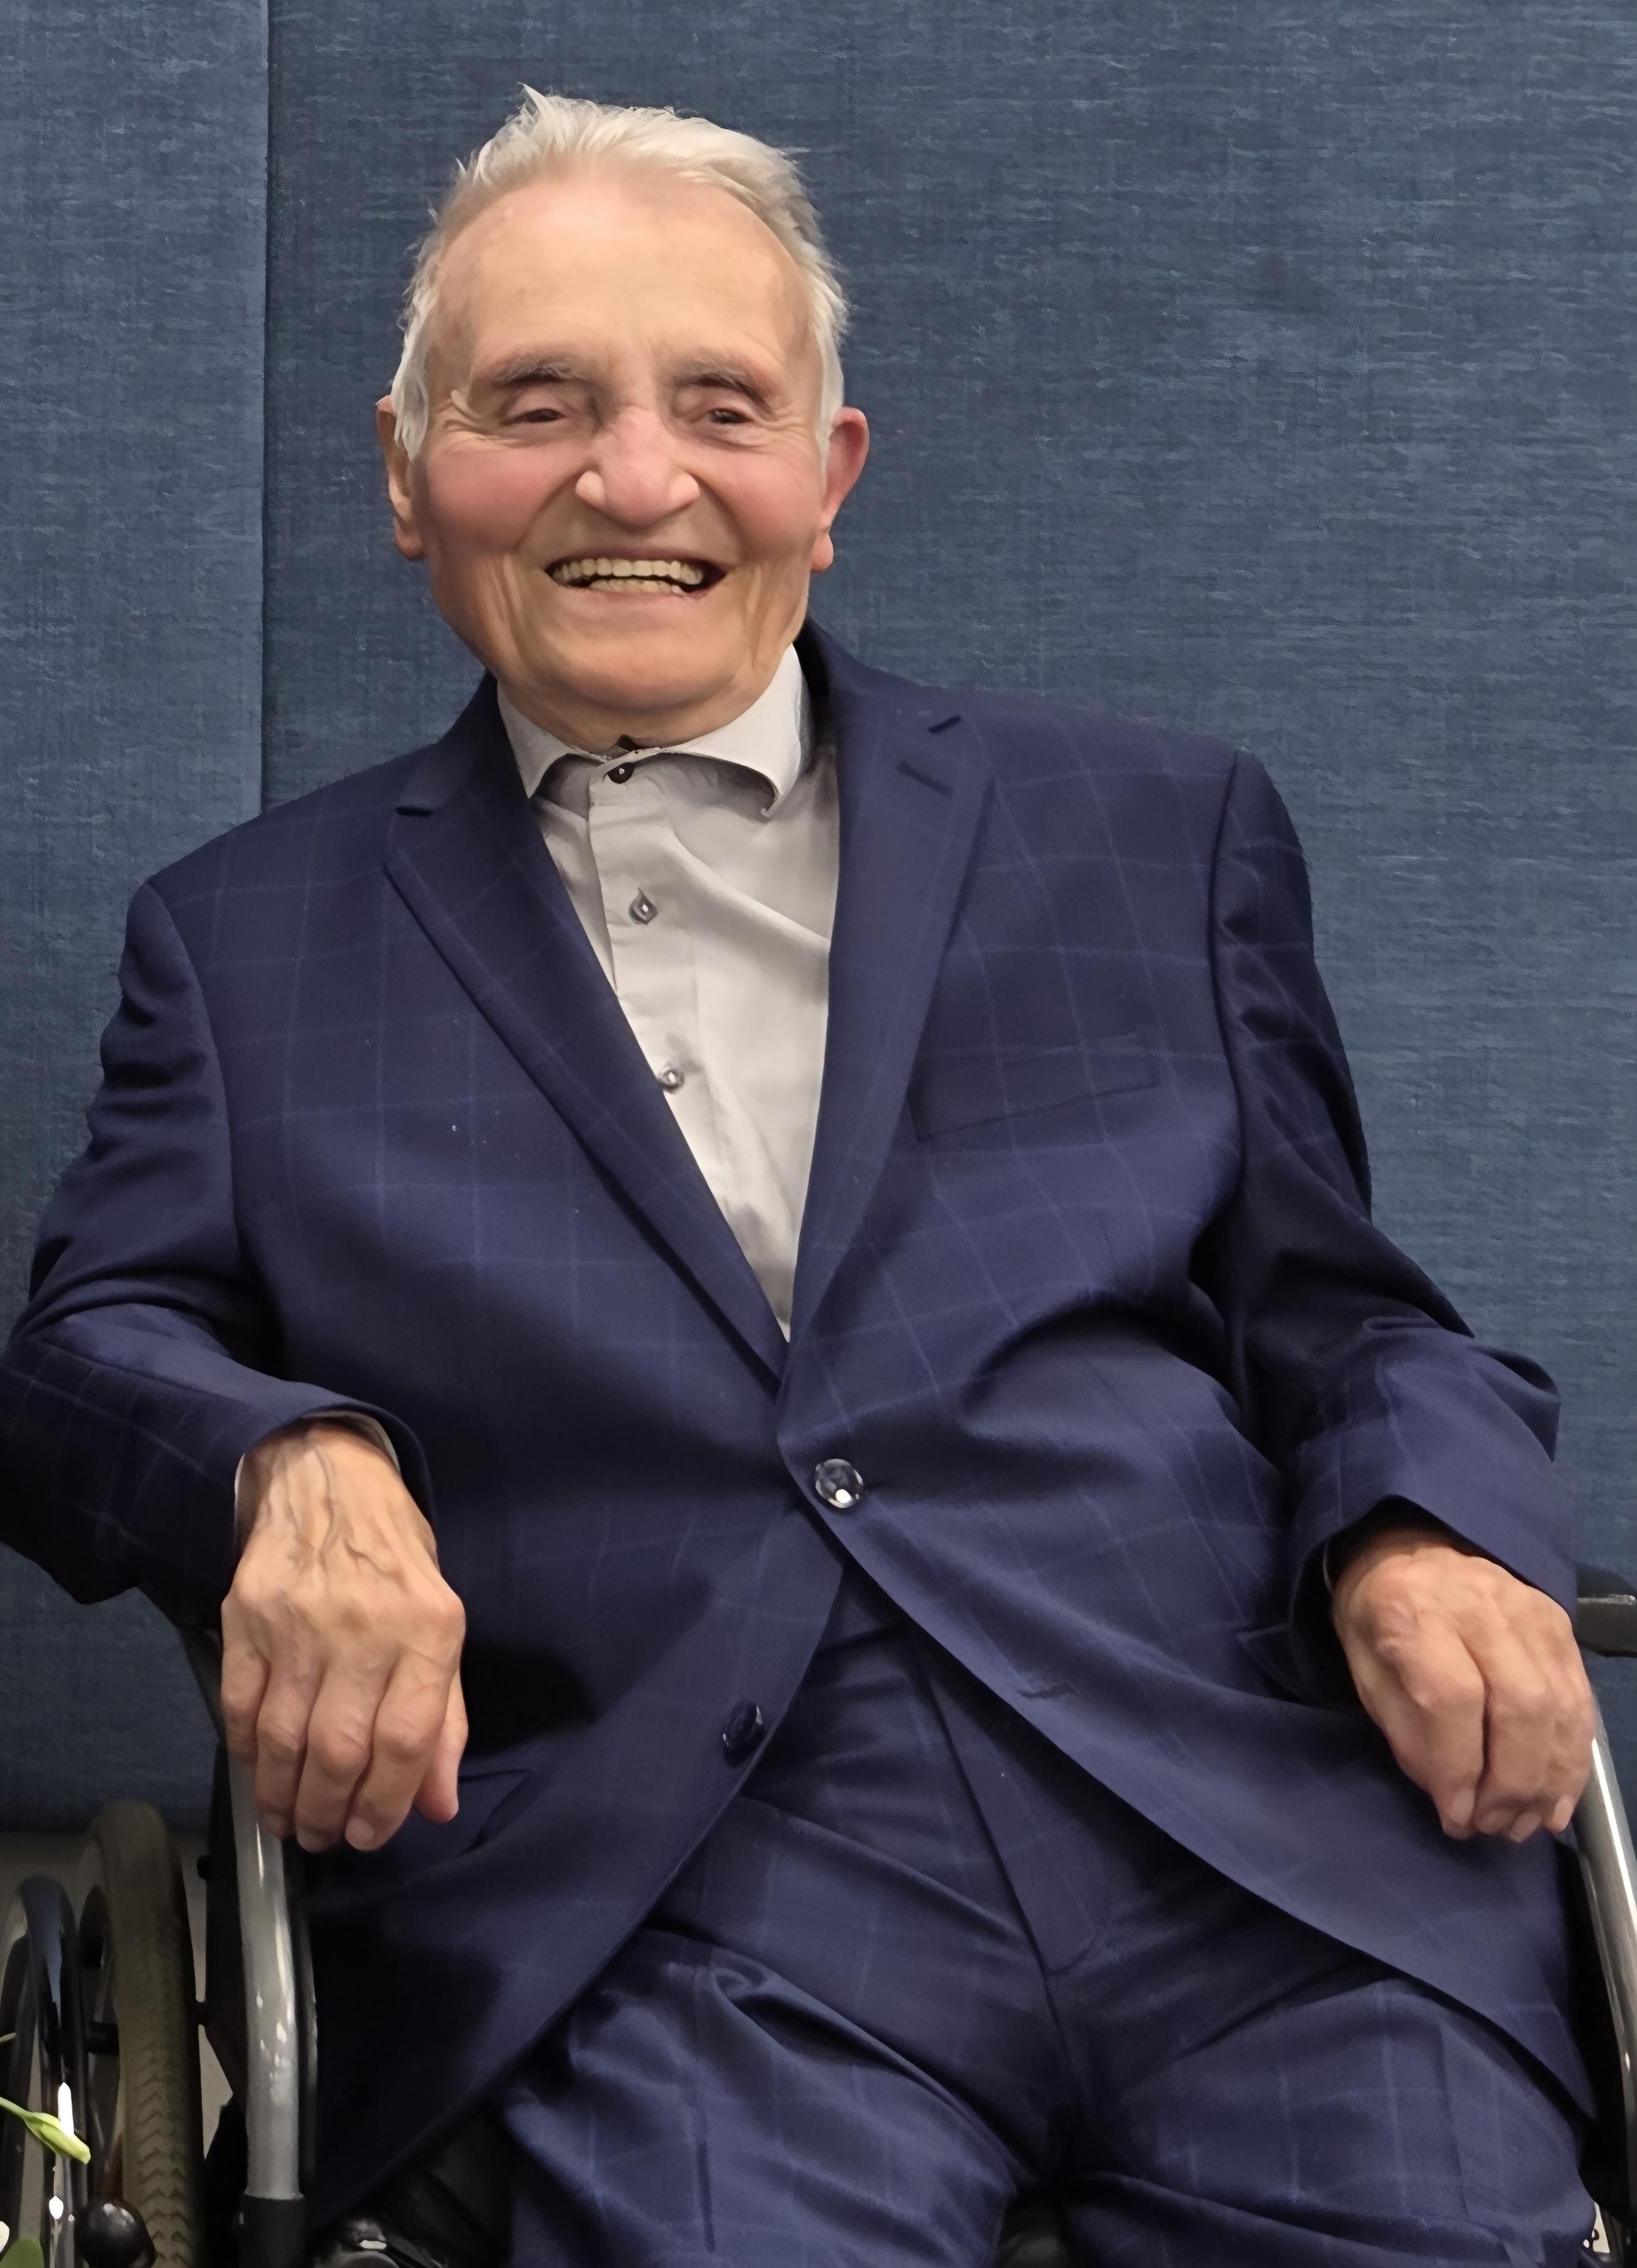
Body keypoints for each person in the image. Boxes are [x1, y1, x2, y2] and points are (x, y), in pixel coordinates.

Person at [0, 88, 1603, 2267]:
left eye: (718, 407)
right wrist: (288, 1463)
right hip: (681, 1905)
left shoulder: (1152, 833)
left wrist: (1427, 1527)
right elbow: (84, 1356)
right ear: (404, 472)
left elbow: (1342, 1316)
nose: (631, 479)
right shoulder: (243, 938)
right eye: (535, 404)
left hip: (1245, 1842)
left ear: (827, 477)